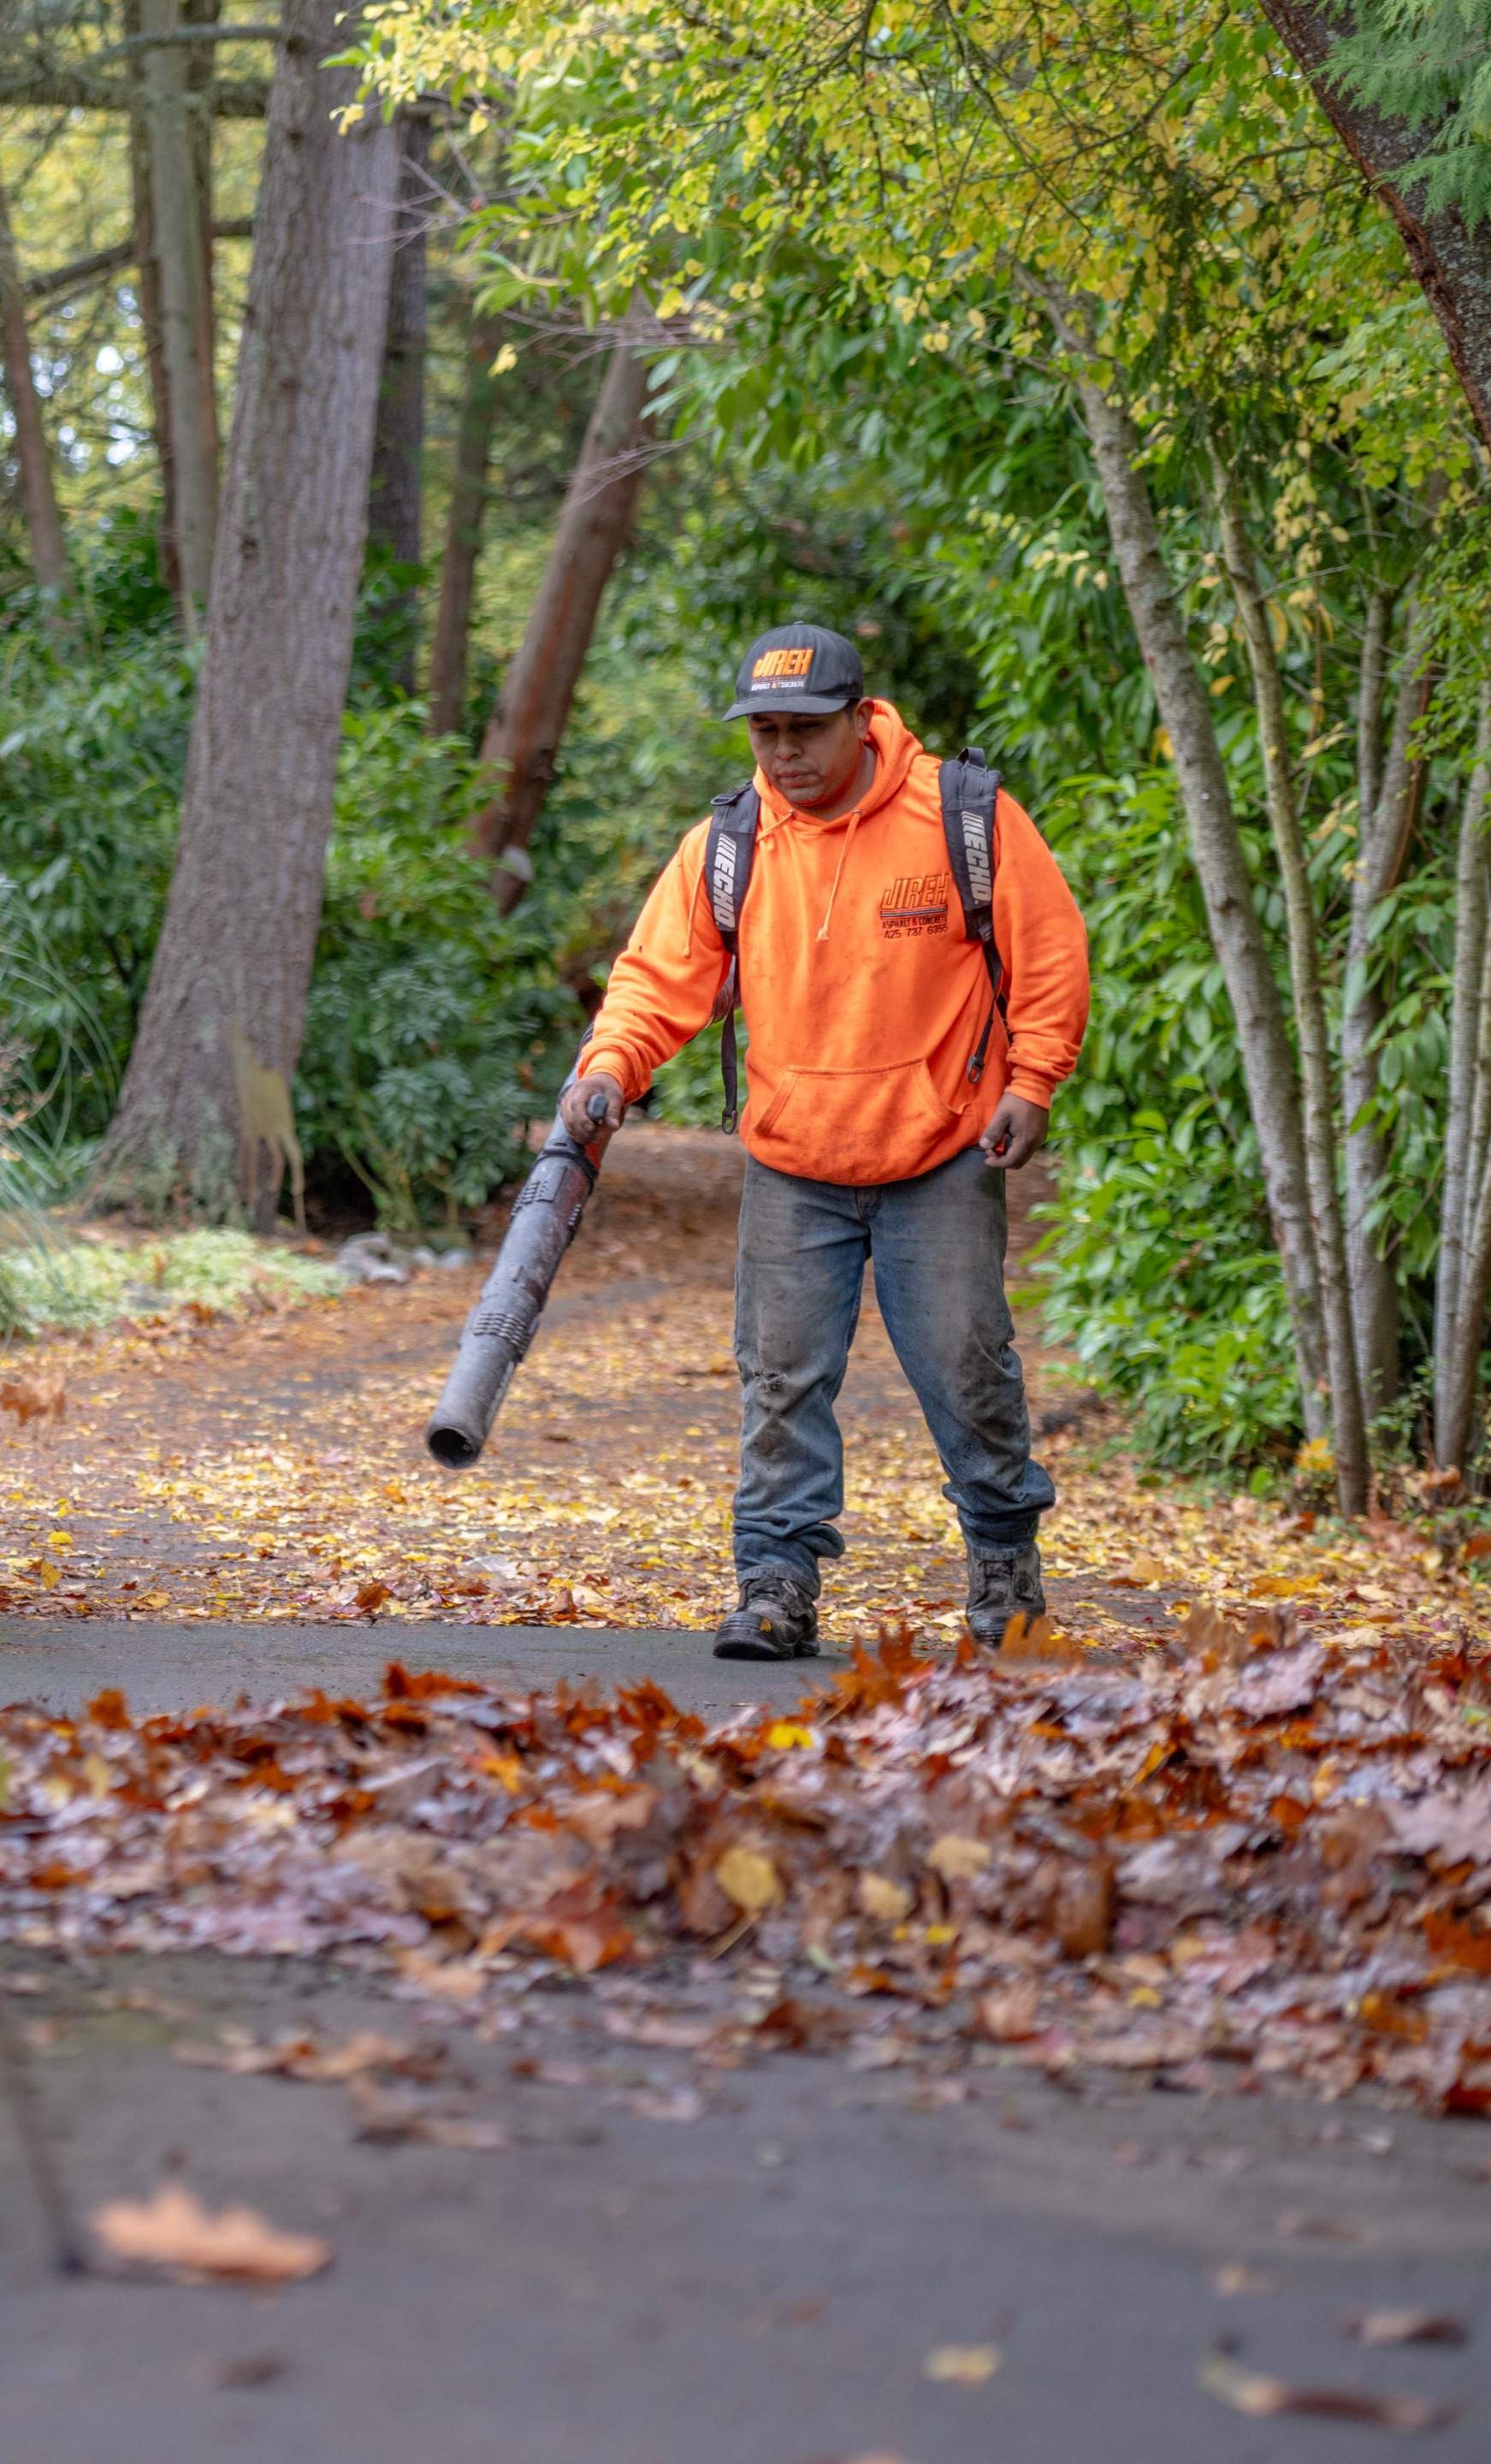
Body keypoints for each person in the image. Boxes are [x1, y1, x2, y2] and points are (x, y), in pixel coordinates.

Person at [559, 621, 1089, 1660]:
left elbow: (1050, 948)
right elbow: (658, 979)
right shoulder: (732, 841)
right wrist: (609, 1071)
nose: (785, 754)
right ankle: (774, 1585)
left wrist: (1033, 1081)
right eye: (764, 733)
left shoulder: (959, 814)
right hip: (793, 1162)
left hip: (940, 1153)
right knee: (779, 1381)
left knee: (969, 1372)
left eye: (805, 730)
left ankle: (1004, 1580)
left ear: (860, 717)